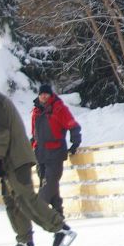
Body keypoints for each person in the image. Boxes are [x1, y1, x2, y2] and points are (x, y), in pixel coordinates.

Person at [0, 85, 77, 246]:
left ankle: (60, 228)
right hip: (7, 160)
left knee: (25, 197)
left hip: (15, 159)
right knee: (11, 201)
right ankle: (25, 239)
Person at [31, 82, 82, 221]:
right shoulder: (36, 111)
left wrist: (75, 142)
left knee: (50, 184)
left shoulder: (58, 108)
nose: (43, 96)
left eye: (46, 94)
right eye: (41, 94)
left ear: (51, 94)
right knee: (48, 186)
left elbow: (72, 125)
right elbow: (34, 133)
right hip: (40, 154)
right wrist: (32, 146)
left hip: (55, 152)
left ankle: (37, 210)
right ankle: (58, 217)